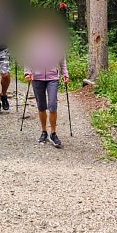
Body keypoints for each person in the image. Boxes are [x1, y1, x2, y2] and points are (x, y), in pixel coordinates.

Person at [21, 10, 71, 149]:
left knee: (53, 105)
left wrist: (65, 74)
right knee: (41, 106)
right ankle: (44, 131)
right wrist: (27, 72)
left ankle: (53, 133)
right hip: (36, 77)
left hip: (53, 77)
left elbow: (62, 60)